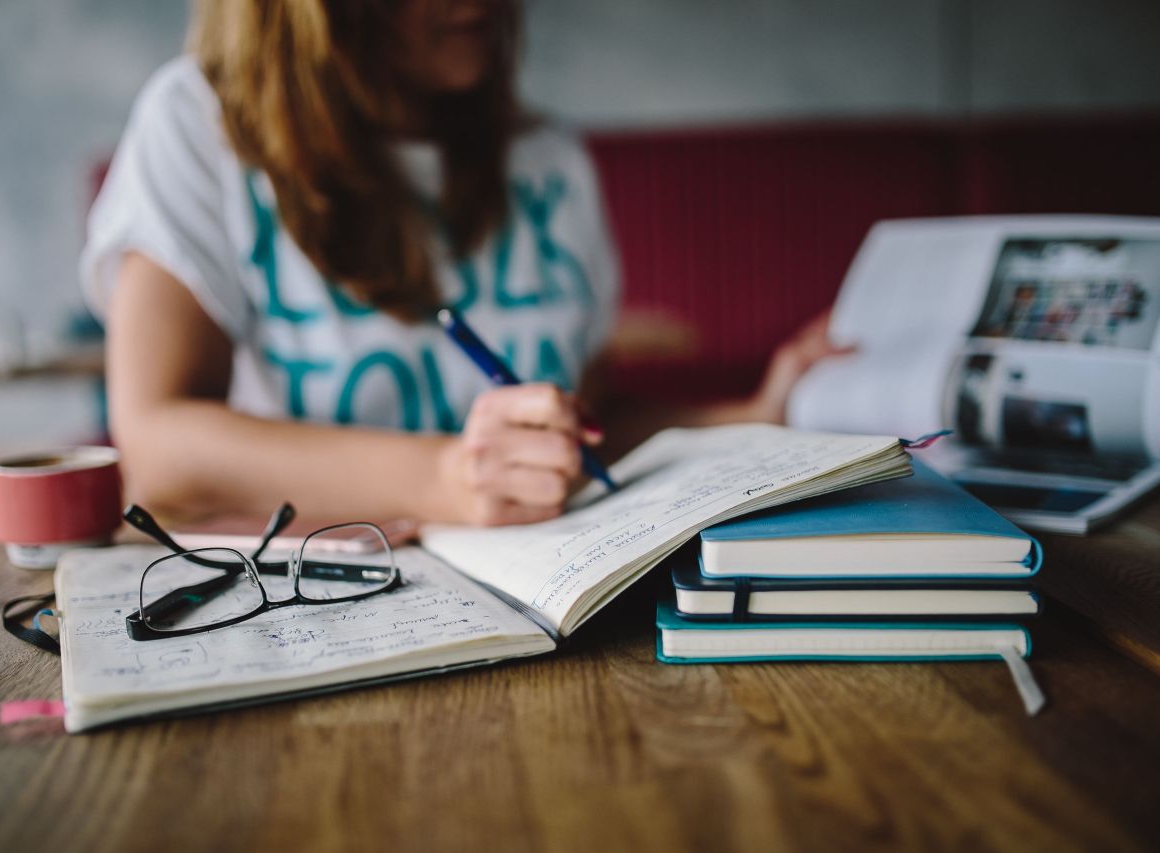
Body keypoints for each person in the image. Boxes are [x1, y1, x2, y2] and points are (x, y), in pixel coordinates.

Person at [83, 0, 843, 528]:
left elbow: (584, 431)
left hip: (549, 601)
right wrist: (444, 478)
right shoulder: (200, 126)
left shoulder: (546, 165)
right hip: (314, 609)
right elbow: (157, 446)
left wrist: (750, 416)